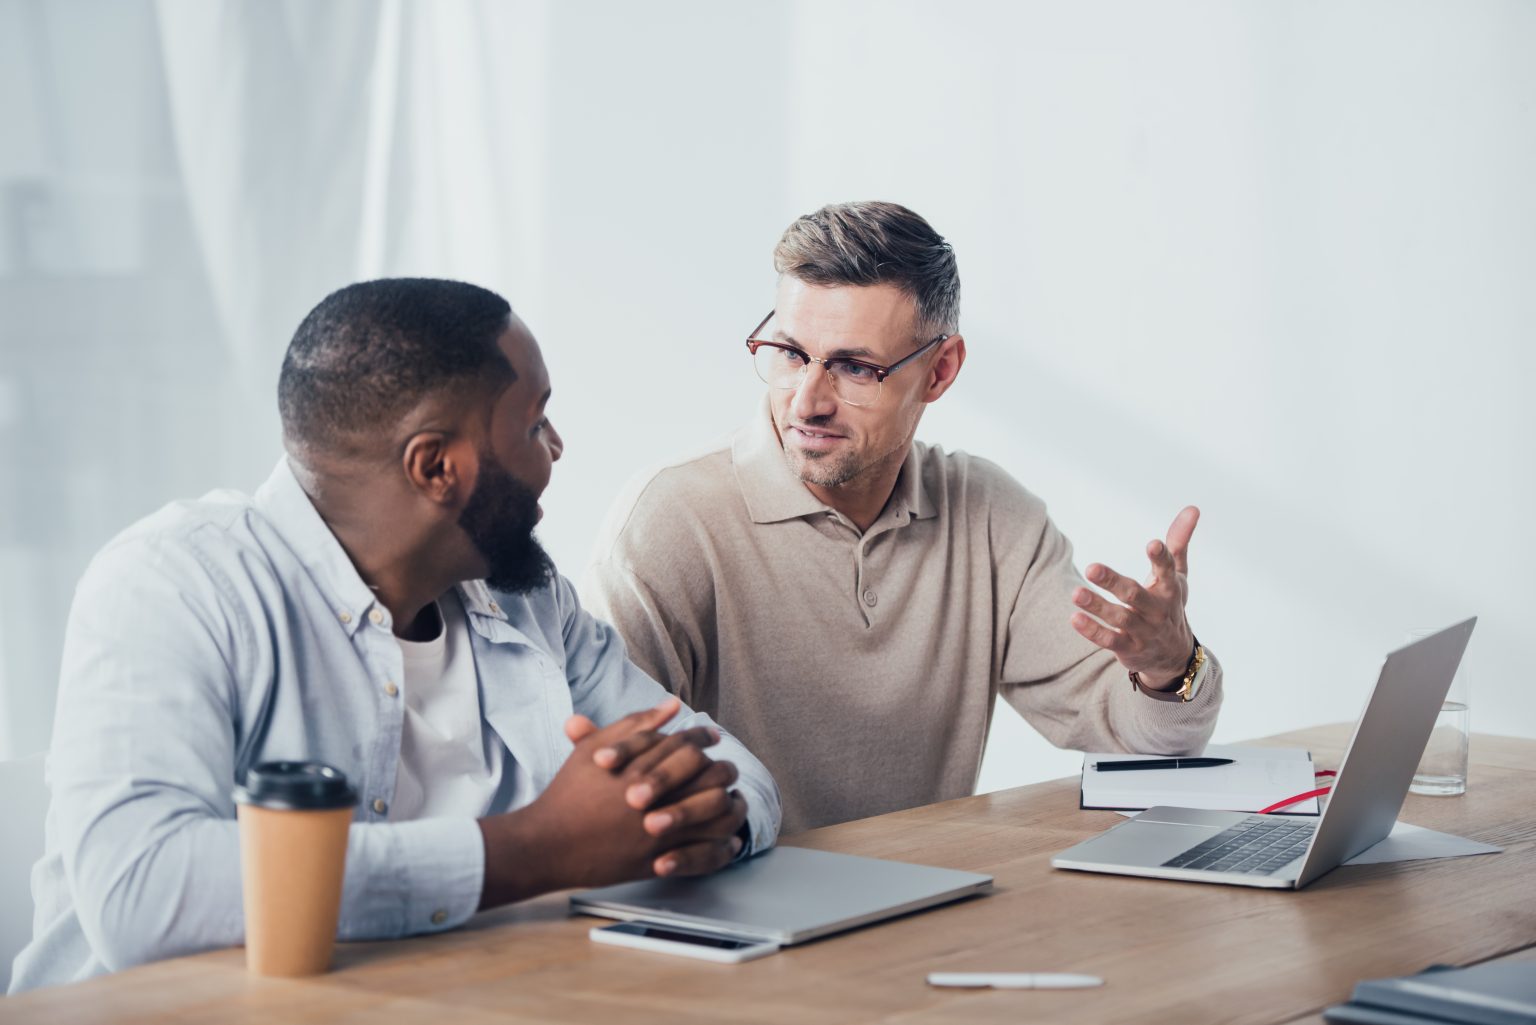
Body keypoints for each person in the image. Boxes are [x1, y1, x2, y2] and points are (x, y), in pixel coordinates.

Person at [11, 278, 779, 992]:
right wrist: (537, 848)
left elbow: (735, 771)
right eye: (534, 420)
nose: (557, 447)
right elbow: (143, 889)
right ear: (437, 465)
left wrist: (692, 824)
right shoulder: (175, 585)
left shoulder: (529, 597)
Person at [582, 201, 1222, 834]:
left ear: (940, 370)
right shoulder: (669, 522)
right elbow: (608, 788)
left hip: (926, 907)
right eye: (789, 352)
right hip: (736, 907)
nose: (808, 400)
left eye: (855, 367)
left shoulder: (990, 517)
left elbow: (1142, 743)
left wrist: (1169, 666)